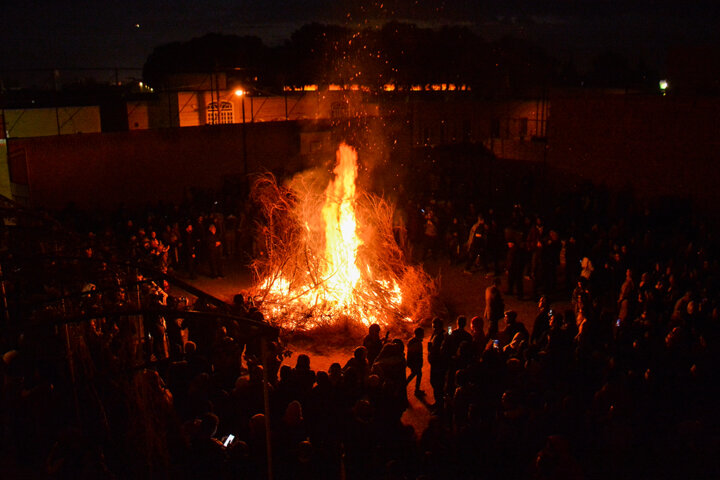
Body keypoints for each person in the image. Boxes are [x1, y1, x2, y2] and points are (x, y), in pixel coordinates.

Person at [427, 317, 447, 412]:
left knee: (438, 384)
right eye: (433, 327)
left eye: (435, 327)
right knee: (433, 382)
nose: (433, 328)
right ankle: (437, 403)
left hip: (439, 364)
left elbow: (443, 351)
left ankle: (440, 407)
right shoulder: (435, 334)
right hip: (434, 363)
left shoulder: (443, 336)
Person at [406, 327, 424, 397]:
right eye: (422, 333)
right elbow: (416, 354)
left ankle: (416, 389)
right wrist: (419, 363)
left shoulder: (412, 340)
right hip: (415, 362)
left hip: (412, 362)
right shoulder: (417, 343)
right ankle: (415, 390)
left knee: (416, 374)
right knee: (416, 374)